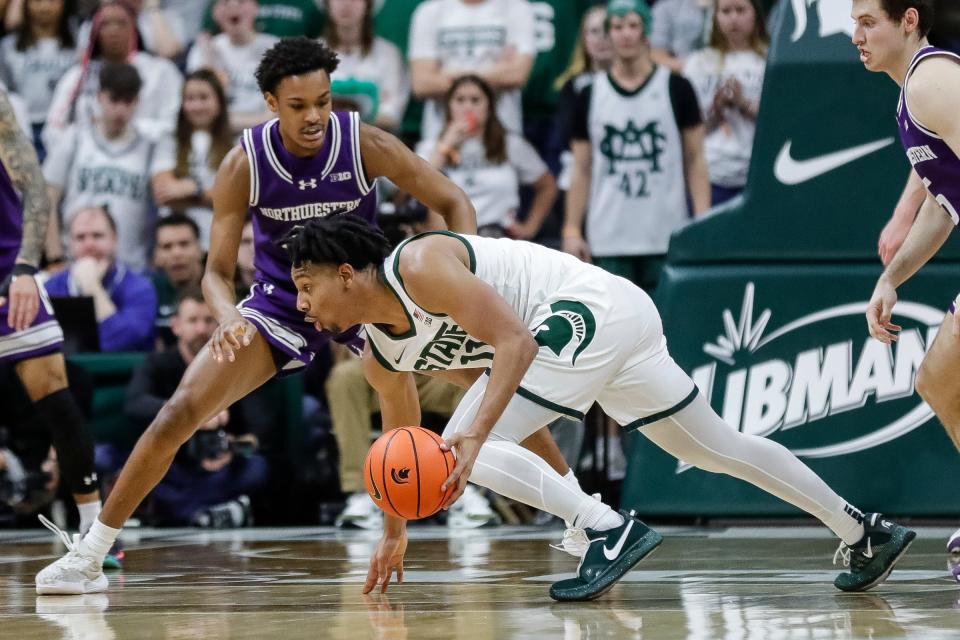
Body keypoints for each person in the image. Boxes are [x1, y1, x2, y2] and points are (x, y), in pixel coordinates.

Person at [33, 35, 481, 595]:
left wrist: (462, 280)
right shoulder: (243, 163)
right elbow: (216, 271)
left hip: (364, 293)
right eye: (298, 106)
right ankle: (91, 554)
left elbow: (454, 199)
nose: (315, 116)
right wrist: (226, 316)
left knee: (487, 380)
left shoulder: (365, 143)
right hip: (281, 300)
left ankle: (581, 519)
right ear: (271, 103)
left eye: (323, 100)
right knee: (180, 411)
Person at [285, 215, 916, 601]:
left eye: (306, 286)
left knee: (460, 446)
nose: (303, 304)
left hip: (586, 311)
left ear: (346, 273)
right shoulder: (381, 357)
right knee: (712, 448)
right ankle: (863, 531)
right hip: (613, 323)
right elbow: (405, 449)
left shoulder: (418, 265)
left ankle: (610, 531)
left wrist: (478, 443)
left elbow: (514, 344)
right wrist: (394, 533)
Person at [852, 0, 960, 569]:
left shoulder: (933, 80)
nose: (857, 35)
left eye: (869, 22)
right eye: (854, 23)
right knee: (939, 381)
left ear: (909, 20)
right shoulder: (908, 95)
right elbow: (942, 208)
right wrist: (890, 279)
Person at [0, 88, 109, 564]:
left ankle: (95, 534)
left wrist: (26, 266)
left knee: (53, 391)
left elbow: (34, 186)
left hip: (7, 266)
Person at [562, 0, 710, 292]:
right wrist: (571, 228)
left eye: (632, 25)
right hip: (609, 235)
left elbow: (695, 159)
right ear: (609, 34)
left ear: (647, 32)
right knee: (617, 329)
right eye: (617, 27)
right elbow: (581, 168)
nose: (625, 34)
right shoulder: (590, 95)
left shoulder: (677, 88)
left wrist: (702, 221)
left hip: (665, 232)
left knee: (667, 327)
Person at [124, 288, 268, 527]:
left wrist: (230, 448)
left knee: (257, 468)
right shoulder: (158, 363)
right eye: (193, 321)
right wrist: (190, 415)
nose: (201, 329)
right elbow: (134, 404)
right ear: (176, 325)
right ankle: (215, 512)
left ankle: (189, 512)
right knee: (135, 468)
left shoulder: (236, 364)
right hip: (172, 464)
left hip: (219, 469)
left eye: (209, 321)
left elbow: (259, 430)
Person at [43, 62, 170, 271]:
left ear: (138, 101)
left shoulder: (149, 147)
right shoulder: (74, 138)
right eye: (114, 100)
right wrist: (55, 257)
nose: (121, 110)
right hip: (75, 263)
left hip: (130, 266)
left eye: (128, 101)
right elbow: (47, 198)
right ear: (99, 96)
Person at [418, 75, 557, 240]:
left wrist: (529, 227)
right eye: (460, 100)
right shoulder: (430, 147)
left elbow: (547, 186)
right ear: (449, 106)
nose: (467, 106)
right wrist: (446, 145)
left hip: (499, 237)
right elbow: (418, 186)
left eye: (475, 100)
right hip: (451, 239)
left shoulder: (510, 144)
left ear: (489, 107)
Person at [43, 0, 182, 150]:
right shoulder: (77, 76)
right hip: (87, 159)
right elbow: (52, 128)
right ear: (94, 32)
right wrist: (88, 139)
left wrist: (128, 130)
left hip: (144, 157)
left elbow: (173, 124)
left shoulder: (161, 72)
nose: (113, 30)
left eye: (121, 23)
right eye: (105, 24)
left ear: (134, 28)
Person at [408, 0, 536, 141]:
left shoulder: (516, 8)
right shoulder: (430, 11)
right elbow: (422, 84)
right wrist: (495, 71)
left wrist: (447, 73)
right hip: (441, 140)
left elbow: (516, 75)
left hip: (502, 142)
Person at [682, 0, 768, 206]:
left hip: (758, 173)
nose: (733, 18)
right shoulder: (698, 63)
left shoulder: (769, 59)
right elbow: (689, 130)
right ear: (715, 16)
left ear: (754, 14)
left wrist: (743, 103)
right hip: (712, 173)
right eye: (726, 11)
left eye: (740, 10)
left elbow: (781, 120)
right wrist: (716, 108)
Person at [45, 205, 158, 352]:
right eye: (80, 237)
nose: (89, 245)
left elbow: (123, 342)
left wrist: (92, 286)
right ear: (69, 244)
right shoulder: (50, 288)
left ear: (115, 240)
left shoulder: (140, 288)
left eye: (97, 236)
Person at [152, 69, 234, 247]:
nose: (196, 106)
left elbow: (236, 201)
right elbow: (163, 193)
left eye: (204, 98)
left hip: (220, 244)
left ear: (219, 101)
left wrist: (193, 189)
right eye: (190, 99)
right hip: (176, 243)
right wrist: (210, 197)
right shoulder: (169, 140)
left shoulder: (237, 146)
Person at [0, 0, 77, 158]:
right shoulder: (8, 46)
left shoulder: (77, 45)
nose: (44, 7)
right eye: (37, 0)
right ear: (25, 4)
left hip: (63, 127)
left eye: (52, 1)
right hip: (20, 128)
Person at [186, 0, 277, 134]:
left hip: (263, 136)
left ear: (255, 8)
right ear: (215, 13)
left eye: (241, 1)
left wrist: (220, 121)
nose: (233, 6)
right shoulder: (203, 50)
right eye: (225, 2)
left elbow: (277, 115)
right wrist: (209, 64)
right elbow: (199, 114)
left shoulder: (276, 48)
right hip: (217, 138)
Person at [322, 0, 409, 132]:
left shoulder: (388, 54)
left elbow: (392, 114)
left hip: (374, 144)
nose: (346, 4)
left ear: (368, 4)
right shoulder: (313, 53)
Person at [151, 213, 204, 347]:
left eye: (184, 244)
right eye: (167, 247)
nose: (176, 253)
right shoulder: (148, 291)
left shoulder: (220, 288)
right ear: (156, 255)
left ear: (200, 249)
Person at [650, 0, 712, 73]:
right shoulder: (665, 8)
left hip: (722, 71)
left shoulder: (724, 6)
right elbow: (656, 56)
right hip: (679, 75)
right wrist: (693, 68)